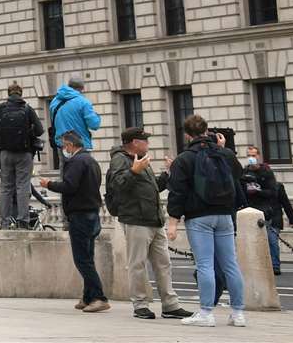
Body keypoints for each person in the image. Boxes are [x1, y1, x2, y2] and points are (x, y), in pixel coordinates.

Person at [166, 115, 247, 327]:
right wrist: (224, 148)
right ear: (207, 130)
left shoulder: (184, 159)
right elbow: (238, 174)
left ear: (186, 134)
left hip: (199, 216)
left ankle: (206, 312)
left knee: (205, 265)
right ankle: (238, 313)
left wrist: (173, 222)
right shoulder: (225, 154)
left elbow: (178, 192)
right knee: (230, 264)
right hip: (225, 215)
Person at [106, 127, 189, 320]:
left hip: (153, 219)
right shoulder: (120, 160)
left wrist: (167, 175)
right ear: (135, 142)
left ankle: (170, 305)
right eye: (145, 140)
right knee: (137, 264)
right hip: (136, 219)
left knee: (163, 263)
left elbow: (152, 188)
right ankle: (140, 304)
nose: (148, 144)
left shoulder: (142, 160)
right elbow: (117, 186)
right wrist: (133, 172)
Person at [39, 130, 107, 312]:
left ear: (69, 145)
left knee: (82, 260)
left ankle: (99, 297)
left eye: (63, 146)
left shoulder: (75, 162)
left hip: (80, 215)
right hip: (92, 213)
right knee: (87, 257)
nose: (63, 150)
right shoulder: (91, 161)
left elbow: (69, 186)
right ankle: (88, 296)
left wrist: (49, 184)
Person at [0, 84, 43, 229]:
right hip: (24, 154)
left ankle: (4, 222)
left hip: (5, 153)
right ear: (21, 94)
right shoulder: (27, 109)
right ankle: (23, 221)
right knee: (23, 186)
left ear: (8, 94)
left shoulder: (0, 109)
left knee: (6, 188)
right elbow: (40, 130)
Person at [240, 144, 293, 275]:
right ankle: (259, 264)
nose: (251, 158)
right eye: (249, 155)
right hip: (253, 211)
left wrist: (257, 191)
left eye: (253, 155)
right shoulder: (245, 172)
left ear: (258, 156)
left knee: (272, 239)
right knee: (255, 241)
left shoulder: (267, 173)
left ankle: (275, 265)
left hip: (270, 212)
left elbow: (276, 196)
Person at [49, 76, 101, 151]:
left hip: (62, 145)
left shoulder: (54, 101)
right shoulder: (83, 102)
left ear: (69, 85)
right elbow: (94, 125)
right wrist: (96, 116)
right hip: (80, 145)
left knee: (64, 163)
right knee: (81, 162)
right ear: (82, 88)